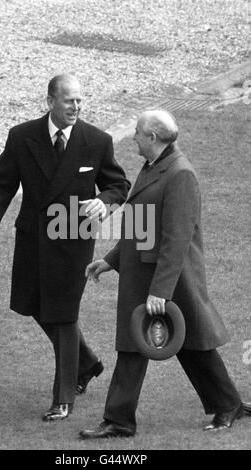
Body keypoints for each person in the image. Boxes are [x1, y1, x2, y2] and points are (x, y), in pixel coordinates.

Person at [80, 109, 251, 439]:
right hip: (143, 272)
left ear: (153, 138)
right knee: (135, 344)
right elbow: (141, 226)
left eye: (138, 134)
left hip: (170, 278)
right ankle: (119, 419)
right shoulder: (154, 166)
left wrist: (160, 290)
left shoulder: (179, 175)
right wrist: (110, 261)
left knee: (192, 343)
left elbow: (177, 240)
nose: (133, 139)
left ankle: (227, 404)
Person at [0, 74, 130, 422]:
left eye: (79, 101)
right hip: (33, 238)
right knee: (33, 304)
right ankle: (87, 363)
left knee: (62, 314)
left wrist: (104, 202)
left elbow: (118, 183)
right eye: (68, 101)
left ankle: (63, 399)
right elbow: (0, 183)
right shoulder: (22, 136)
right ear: (50, 102)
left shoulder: (97, 140)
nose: (76, 107)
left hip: (72, 240)